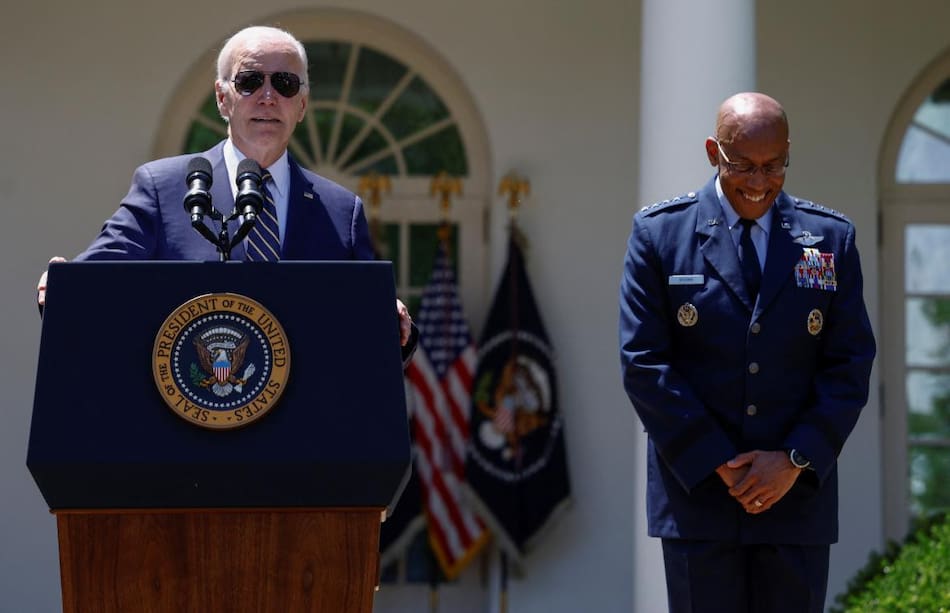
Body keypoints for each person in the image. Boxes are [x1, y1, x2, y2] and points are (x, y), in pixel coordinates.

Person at [619, 92, 875, 612]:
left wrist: (793, 459)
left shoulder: (829, 240)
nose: (759, 182)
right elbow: (645, 362)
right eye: (744, 166)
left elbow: (849, 365)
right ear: (714, 152)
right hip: (699, 502)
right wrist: (720, 462)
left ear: (787, 153)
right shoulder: (660, 235)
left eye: (774, 165)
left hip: (795, 500)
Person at [36, 25, 414, 351]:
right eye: (250, 81)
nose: (268, 96)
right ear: (222, 98)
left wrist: (396, 327)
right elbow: (96, 280)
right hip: (184, 417)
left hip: (301, 428)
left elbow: (370, 329)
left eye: (284, 84)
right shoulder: (163, 187)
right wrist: (63, 287)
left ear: (301, 105)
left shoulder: (340, 210)